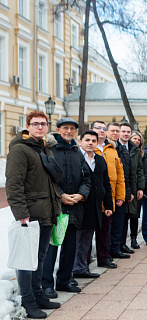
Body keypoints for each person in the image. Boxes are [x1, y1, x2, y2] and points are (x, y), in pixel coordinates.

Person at [6, 110, 62, 318]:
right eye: (36, 123)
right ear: (27, 127)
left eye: (44, 124)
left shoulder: (45, 149)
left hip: (47, 212)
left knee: (40, 257)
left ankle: (38, 296)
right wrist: (21, 213)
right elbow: (13, 184)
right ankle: (28, 301)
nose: (40, 127)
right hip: (30, 214)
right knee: (26, 259)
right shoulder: (20, 150)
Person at [42, 117, 91, 298]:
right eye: (65, 128)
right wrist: (61, 194)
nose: (69, 131)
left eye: (72, 128)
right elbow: (47, 177)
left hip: (75, 206)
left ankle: (64, 280)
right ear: (58, 129)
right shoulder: (50, 150)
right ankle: (47, 284)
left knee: (70, 246)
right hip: (56, 206)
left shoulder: (77, 151)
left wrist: (81, 195)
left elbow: (86, 177)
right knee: (52, 246)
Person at [73, 131, 113, 280]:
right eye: (87, 140)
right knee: (76, 239)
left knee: (87, 239)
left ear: (97, 143)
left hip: (95, 206)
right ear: (80, 141)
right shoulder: (75, 157)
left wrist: (108, 205)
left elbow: (106, 183)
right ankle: (72, 269)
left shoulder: (100, 160)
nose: (90, 143)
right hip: (79, 205)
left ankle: (81, 268)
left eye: (93, 140)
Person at [91, 121, 125, 269]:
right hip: (91, 197)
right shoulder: (88, 147)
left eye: (103, 129)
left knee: (105, 230)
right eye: (98, 128)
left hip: (108, 196)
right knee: (87, 233)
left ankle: (104, 258)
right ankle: (83, 263)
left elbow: (120, 175)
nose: (101, 131)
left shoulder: (112, 150)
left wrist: (120, 195)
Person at [106, 122, 132, 259]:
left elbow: (125, 173)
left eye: (117, 131)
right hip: (108, 192)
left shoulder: (121, 149)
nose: (115, 133)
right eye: (113, 131)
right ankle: (107, 251)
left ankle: (115, 248)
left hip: (120, 191)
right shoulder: (105, 149)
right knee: (108, 226)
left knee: (118, 224)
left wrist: (125, 193)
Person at [118, 122, 145, 254]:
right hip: (119, 188)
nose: (126, 134)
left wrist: (140, 187)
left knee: (130, 215)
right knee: (120, 218)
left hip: (133, 188)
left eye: (128, 132)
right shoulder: (115, 147)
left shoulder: (134, 150)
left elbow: (140, 170)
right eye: (124, 131)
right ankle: (118, 244)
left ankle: (124, 244)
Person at [129, 131, 147, 249]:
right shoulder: (126, 151)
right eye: (134, 138)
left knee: (135, 215)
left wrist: (141, 187)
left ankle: (134, 238)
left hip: (137, 188)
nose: (136, 141)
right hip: (128, 187)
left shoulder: (142, 153)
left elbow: (141, 171)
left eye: (138, 139)